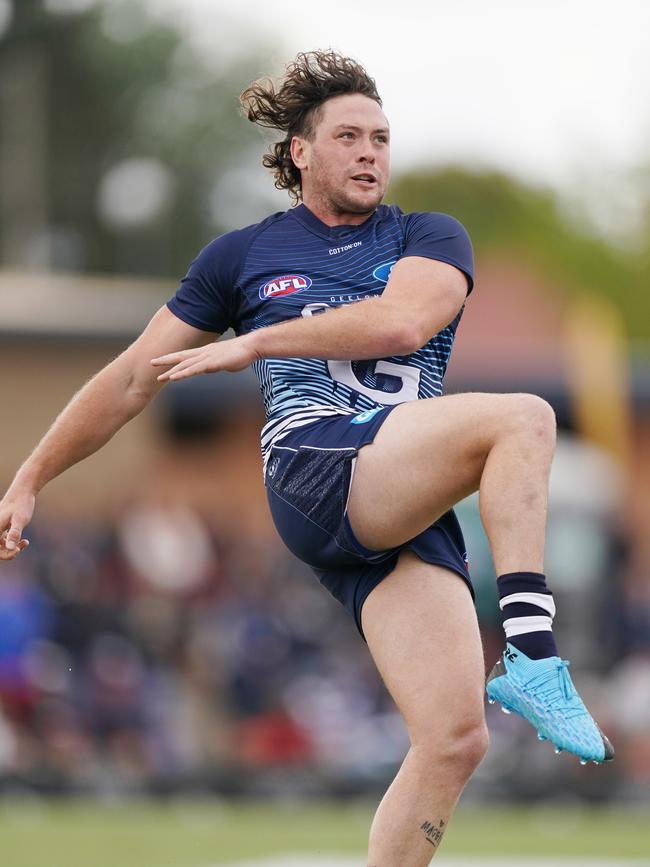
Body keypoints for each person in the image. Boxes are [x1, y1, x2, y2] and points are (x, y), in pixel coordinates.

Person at [0, 51, 613, 865]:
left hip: (398, 492)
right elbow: (129, 379)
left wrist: (254, 339)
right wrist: (30, 476)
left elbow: (400, 326)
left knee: (454, 738)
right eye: (350, 136)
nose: (371, 153)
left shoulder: (428, 235)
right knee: (525, 419)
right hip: (315, 465)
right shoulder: (241, 255)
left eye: (383, 139)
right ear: (301, 151)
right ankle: (534, 649)